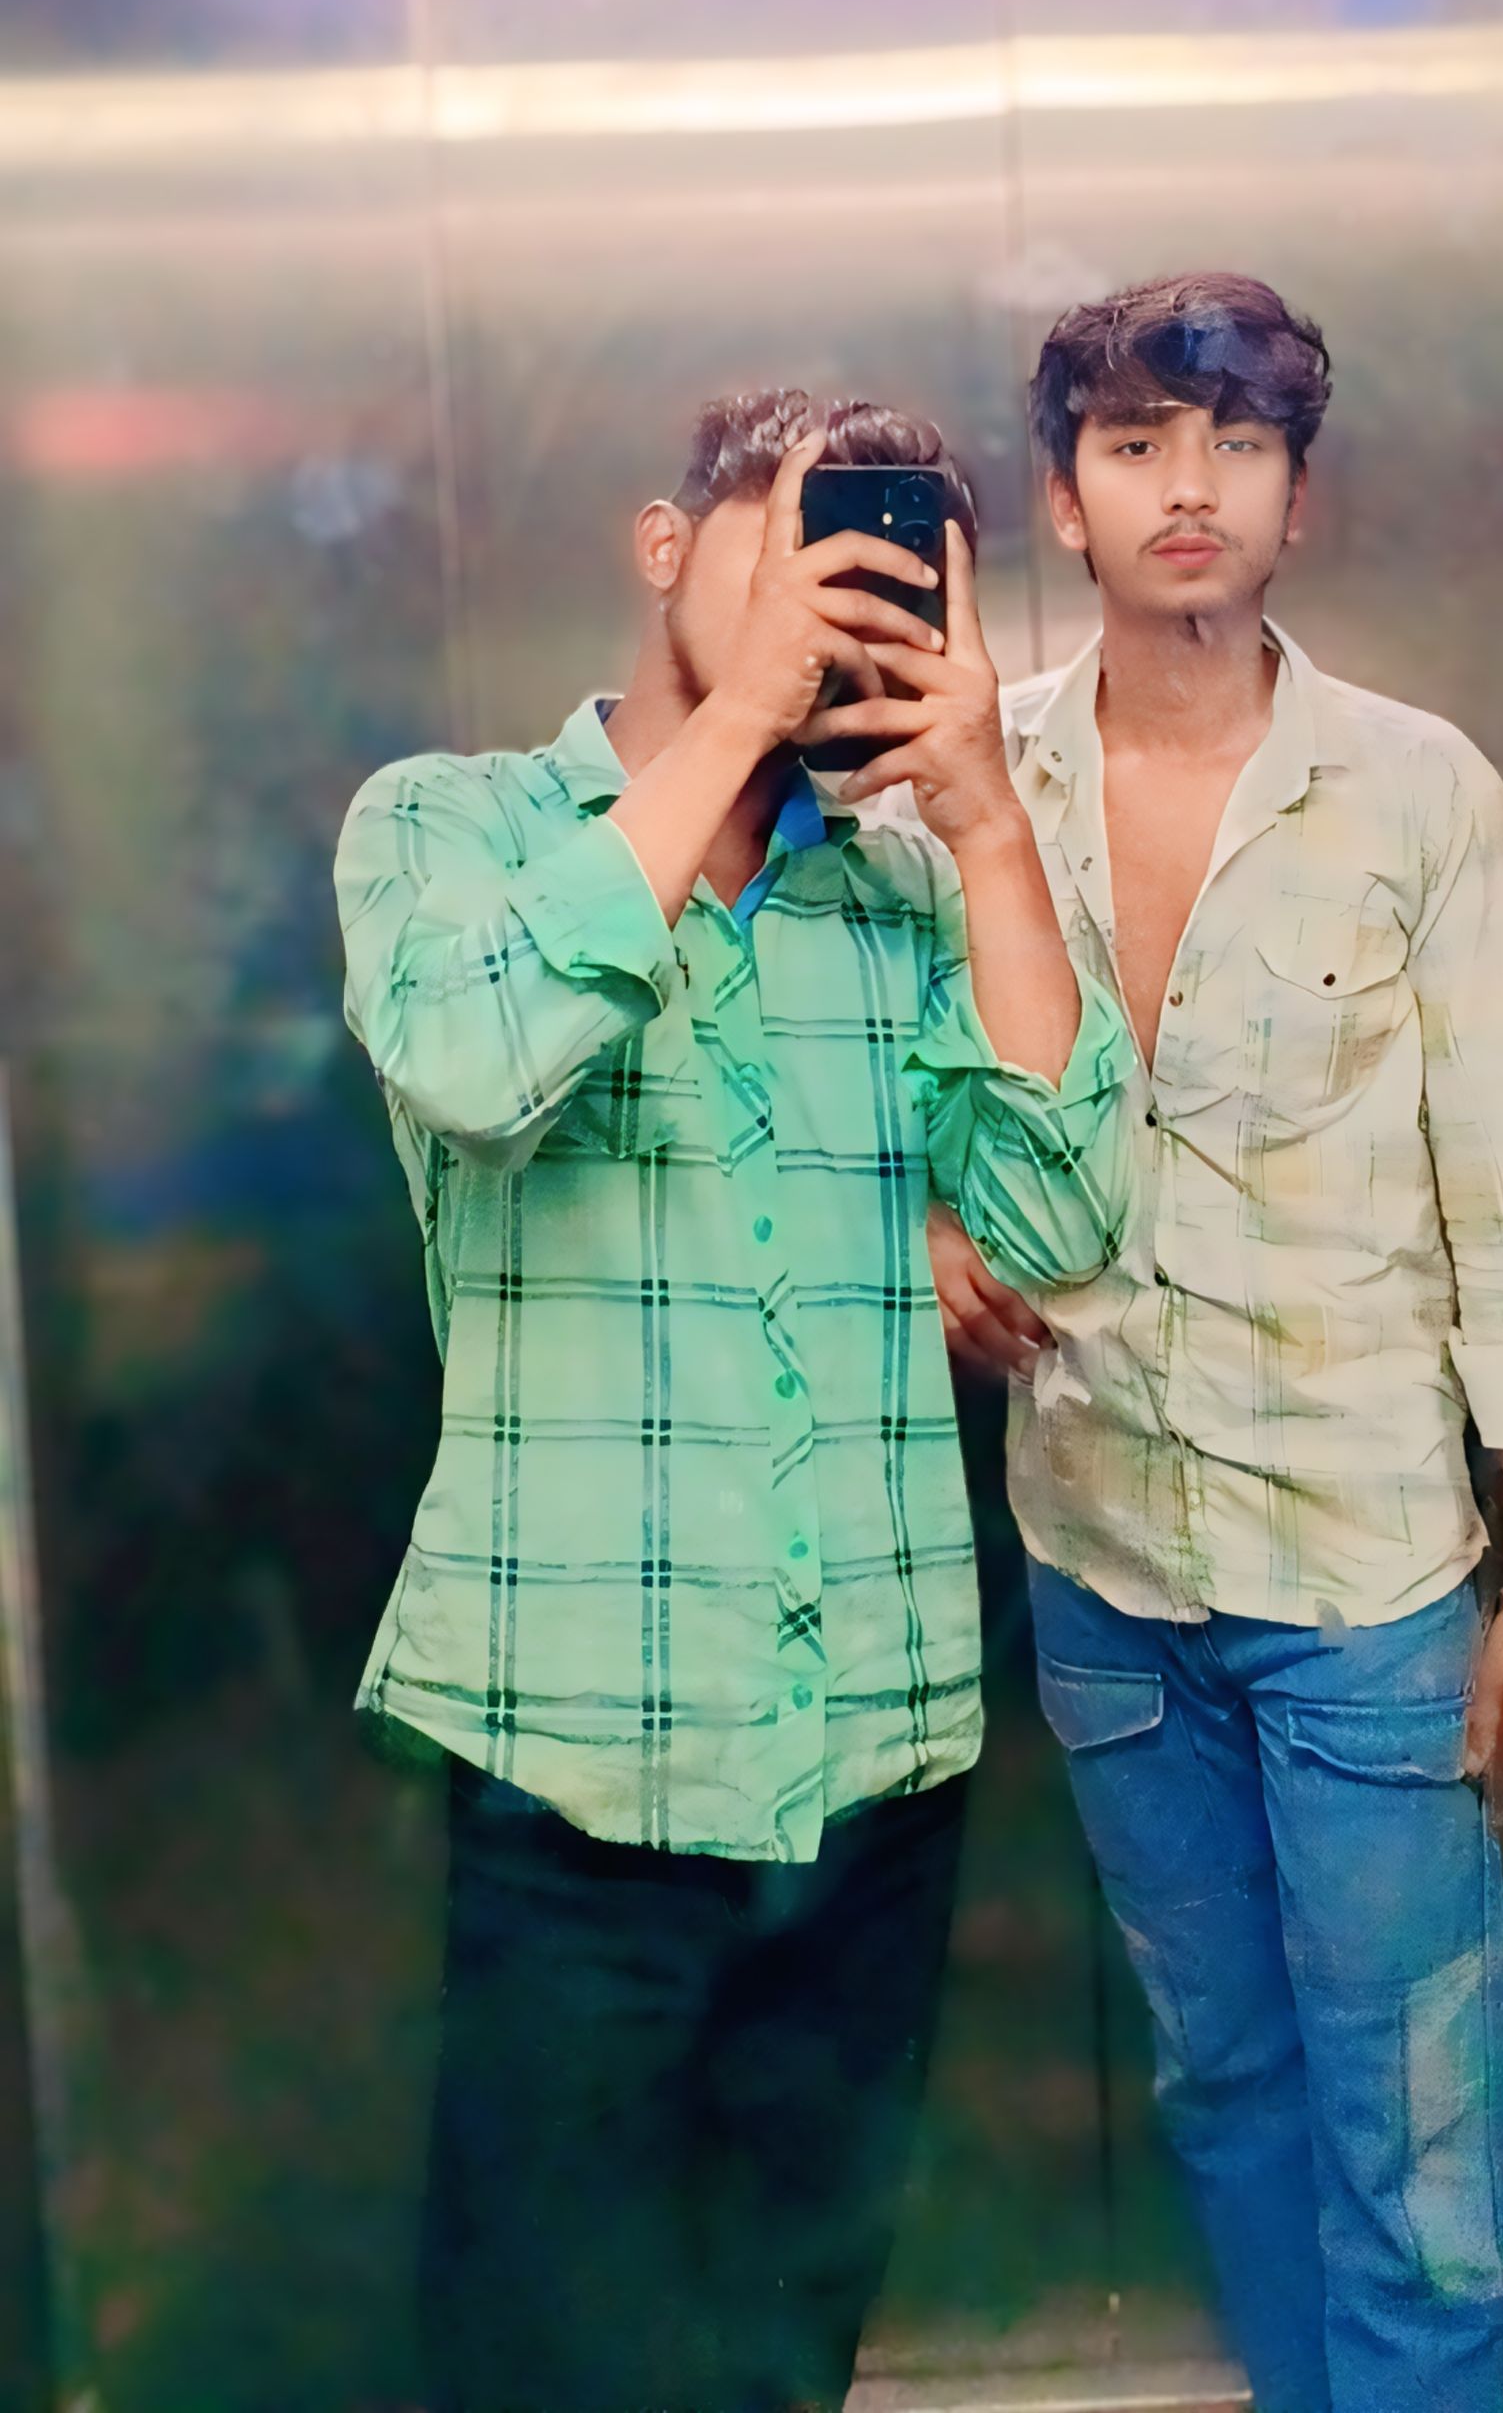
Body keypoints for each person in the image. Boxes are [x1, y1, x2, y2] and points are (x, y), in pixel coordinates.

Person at [334, 389, 1133, 2413]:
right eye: (795, 552)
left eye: (881, 579)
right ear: (664, 546)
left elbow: (1058, 1215)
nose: (828, 613)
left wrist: (986, 821)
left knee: (784, 2348)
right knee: (546, 2358)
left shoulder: (908, 895)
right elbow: (473, 1059)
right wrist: (742, 721)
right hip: (580, 1758)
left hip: (872, 1757)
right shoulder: (449, 827)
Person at [931, 273, 1503, 2413]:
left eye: (1235, 443)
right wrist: (924, 1224)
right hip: (1103, 1566)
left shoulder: (1415, 794)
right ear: (1065, 497)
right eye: (1137, 442)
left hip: (1363, 1586)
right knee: (1222, 2090)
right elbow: (854, 1082)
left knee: (1412, 2144)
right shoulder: (963, 780)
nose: (1190, 486)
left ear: (1294, 500)